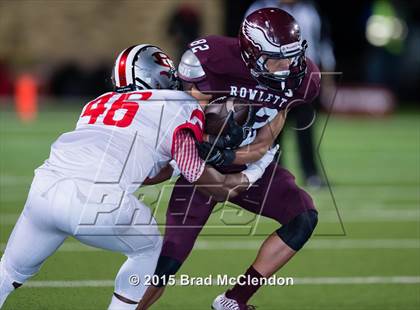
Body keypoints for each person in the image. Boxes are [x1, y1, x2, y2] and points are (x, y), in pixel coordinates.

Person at [0, 44, 275, 310]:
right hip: (96, 203)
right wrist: (255, 169)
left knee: (7, 273)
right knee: (150, 248)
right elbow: (199, 177)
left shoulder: (96, 103)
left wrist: (175, 164)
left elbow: (138, 167)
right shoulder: (180, 105)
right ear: (161, 74)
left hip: (43, 191)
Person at [136, 8, 320, 310]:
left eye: (292, 57)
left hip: (247, 165)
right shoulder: (210, 60)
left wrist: (233, 153)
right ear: (250, 52)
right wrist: (207, 144)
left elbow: (267, 137)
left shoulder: (304, 78)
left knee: (303, 217)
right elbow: (181, 118)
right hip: (200, 166)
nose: (287, 67)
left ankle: (233, 301)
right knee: (168, 259)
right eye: (276, 59)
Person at [245, 0, 336, 187]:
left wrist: (326, 79)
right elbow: (245, 47)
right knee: (271, 131)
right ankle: (275, 175)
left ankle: (311, 174)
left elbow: (321, 46)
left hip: (302, 80)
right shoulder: (258, 8)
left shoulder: (309, 10)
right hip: (270, 81)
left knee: (305, 128)